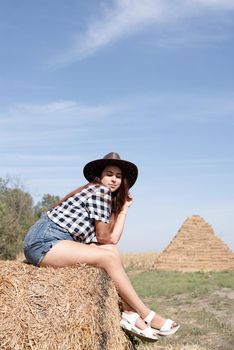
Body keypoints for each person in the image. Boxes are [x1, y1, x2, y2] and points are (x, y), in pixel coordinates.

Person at [23, 152, 180, 342]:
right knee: (109, 256)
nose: (114, 180)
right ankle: (146, 314)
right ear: (100, 176)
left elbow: (110, 241)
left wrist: (124, 210)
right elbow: (106, 237)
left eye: (118, 176)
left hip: (57, 241)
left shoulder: (101, 196)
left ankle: (129, 313)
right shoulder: (99, 191)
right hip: (44, 242)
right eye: (109, 174)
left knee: (111, 253)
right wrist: (122, 212)